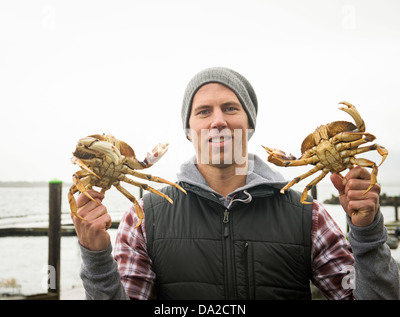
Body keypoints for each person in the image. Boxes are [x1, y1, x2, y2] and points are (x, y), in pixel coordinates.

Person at [72, 67, 399, 300]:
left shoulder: (309, 215)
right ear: (188, 131)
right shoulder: (143, 217)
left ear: (250, 125)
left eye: (230, 108)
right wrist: (96, 256)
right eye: (203, 112)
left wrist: (368, 234)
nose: (218, 120)